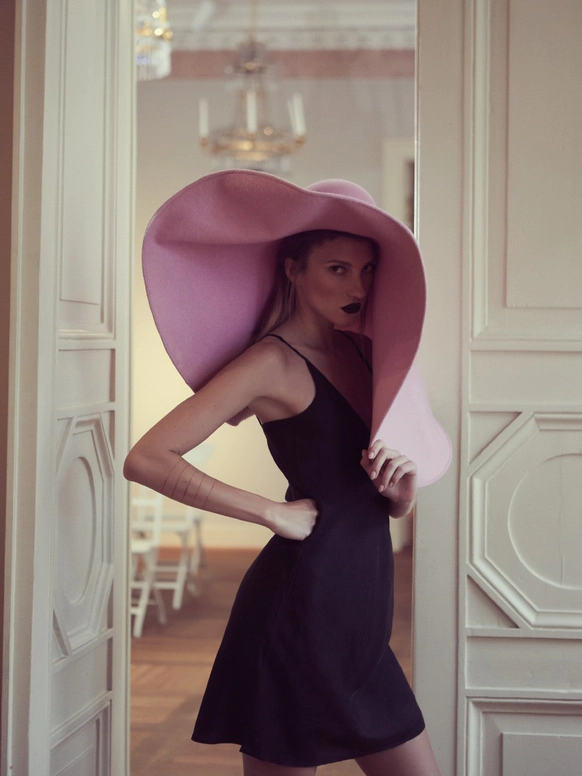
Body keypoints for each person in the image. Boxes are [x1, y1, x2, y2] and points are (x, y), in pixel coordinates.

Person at [125, 170, 450, 776]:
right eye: (337, 268)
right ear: (293, 269)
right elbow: (147, 457)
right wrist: (270, 512)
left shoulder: (363, 351)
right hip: (301, 605)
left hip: (362, 609)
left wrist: (401, 496)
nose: (357, 286)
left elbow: (367, 492)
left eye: (366, 269)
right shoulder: (269, 363)